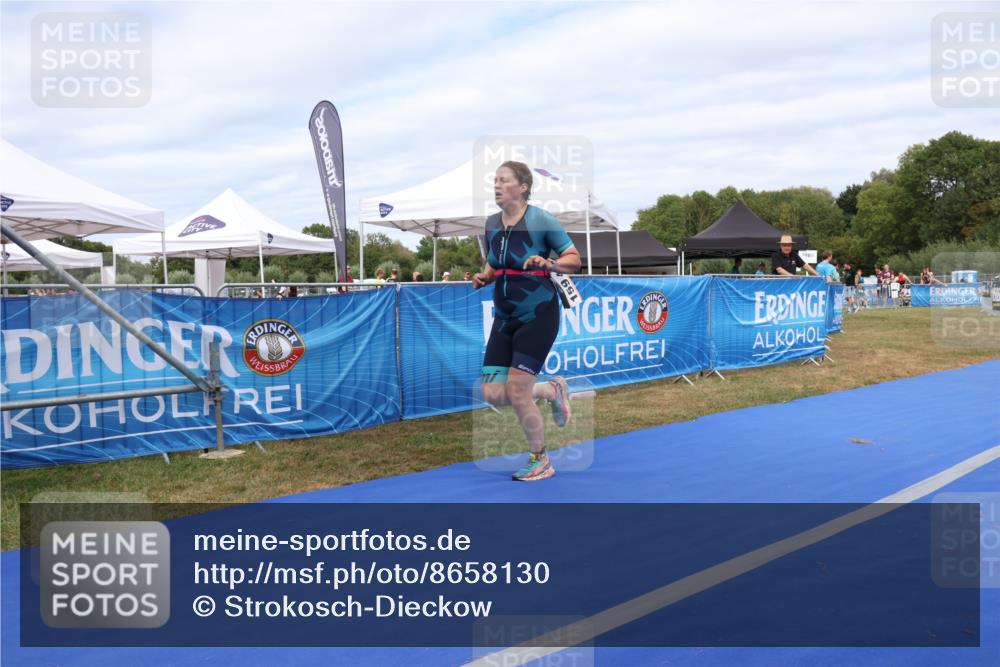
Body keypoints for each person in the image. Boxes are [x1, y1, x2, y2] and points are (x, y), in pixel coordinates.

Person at [473, 160, 582, 482]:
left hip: (538, 314)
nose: (496, 185)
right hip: (504, 318)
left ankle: (540, 459)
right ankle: (551, 390)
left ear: (522, 187)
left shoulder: (541, 220)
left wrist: (549, 263)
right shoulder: (492, 223)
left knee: (519, 392)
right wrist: (485, 276)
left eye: (503, 180)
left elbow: (574, 259)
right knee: (493, 393)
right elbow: (496, 264)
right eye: (494, 180)